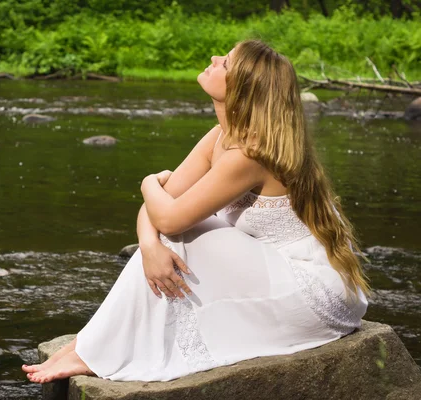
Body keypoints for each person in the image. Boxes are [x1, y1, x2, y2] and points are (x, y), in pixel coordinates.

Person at [21, 39, 370, 384]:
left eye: (226, 63)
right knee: (173, 238)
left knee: (186, 233)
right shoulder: (220, 136)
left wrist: (146, 182)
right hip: (270, 267)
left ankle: (92, 349)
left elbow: (170, 217)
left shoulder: (250, 154)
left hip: (316, 291)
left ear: (242, 88)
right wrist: (148, 245)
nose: (214, 58)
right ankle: (91, 344)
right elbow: (158, 213)